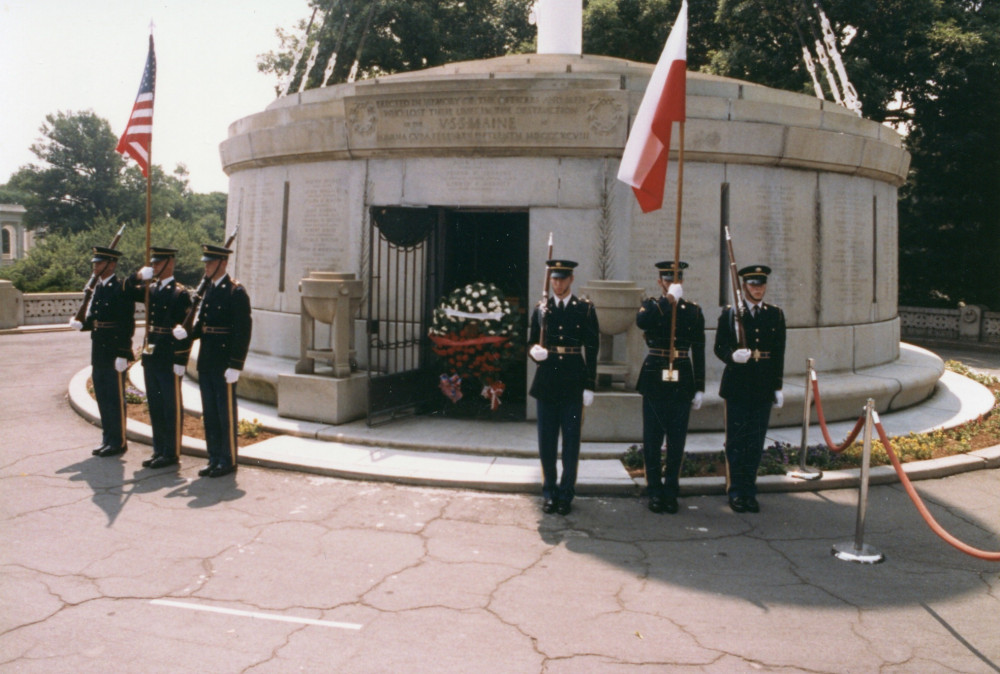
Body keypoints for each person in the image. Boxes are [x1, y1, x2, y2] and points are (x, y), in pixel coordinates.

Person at [527, 259, 599, 515]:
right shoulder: (541, 308)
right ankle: (549, 492)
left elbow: (592, 348)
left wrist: (590, 385)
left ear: (571, 280)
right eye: (554, 279)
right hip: (547, 381)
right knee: (546, 442)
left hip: (572, 381)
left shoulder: (585, 309)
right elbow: (531, 343)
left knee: (571, 442)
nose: (557, 283)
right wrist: (534, 352)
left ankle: (566, 493)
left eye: (562, 279)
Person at [173, 244, 252, 478]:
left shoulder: (235, 292)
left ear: (223, 263)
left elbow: (243, 330)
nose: (205, 266)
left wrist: (236, 364)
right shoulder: (208, 290)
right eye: (205, 262)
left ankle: (227, 460)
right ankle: (214, 457)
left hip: (224, 362)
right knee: (210, 413)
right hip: (207, 360)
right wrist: (188, 332)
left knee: (224, 413)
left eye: (210, 262)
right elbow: (203, 325)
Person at [714, 264, 786, 513]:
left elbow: (778, 353)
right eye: (753, 284)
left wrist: (777, 386)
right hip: (737, 384)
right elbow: (719, 347)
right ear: (744, 286)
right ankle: (735, 491)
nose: (758, 289)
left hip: (763, 384)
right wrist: (732, 356)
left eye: (761, 284)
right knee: (736, 441)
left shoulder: (775, 314)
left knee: (755, 442)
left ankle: (749, 490)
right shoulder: (732, 314)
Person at [635, 261, 706, 514]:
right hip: (655, 377)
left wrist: (700, 387)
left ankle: (671, 490)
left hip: (682, 378)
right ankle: (654, 490)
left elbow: (699, 349)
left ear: (681, 282)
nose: (670, 283)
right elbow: (642, 322)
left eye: (675, 280)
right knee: (652, 439)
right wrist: (667, 301)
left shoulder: (693, 311)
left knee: (677, 440)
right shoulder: (652, 306)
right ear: (659, 282)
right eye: (666, 280)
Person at [124, 247, 192, 469]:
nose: (154, 266)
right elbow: (122, 291)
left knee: (169, 406)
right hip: (152, 351)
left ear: (170, 263)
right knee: (154, 404)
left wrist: (181, 360)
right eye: (152, 263)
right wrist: (136, 276)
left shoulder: (179, 294)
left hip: (169, 354)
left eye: (158, 263)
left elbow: (187, 331)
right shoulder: (150, 289)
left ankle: (171, 453)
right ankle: (159, 449)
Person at [70, 246, 136, 457]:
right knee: (103, 396)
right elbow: (97, 319)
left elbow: (127, 323)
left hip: (115, 351)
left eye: (99, 263)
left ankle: (119, 442)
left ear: (111, 264)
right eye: (95, 263)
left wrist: (123, 353)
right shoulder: (98, 288)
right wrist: (84, 324)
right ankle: (108, 438)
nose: (95, 266)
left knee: (115, 398)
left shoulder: (121, 288)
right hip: (99, 350)